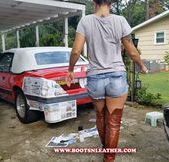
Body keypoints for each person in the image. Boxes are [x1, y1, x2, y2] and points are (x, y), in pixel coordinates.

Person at [66, 0, 148, 161]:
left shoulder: (85, 21)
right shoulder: (120, 21)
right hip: (116, 76)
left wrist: (70, 70)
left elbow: (76, 51)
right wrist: (142, 65)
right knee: (114, 122)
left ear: (93, 1)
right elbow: (132, 51)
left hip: (95, 78)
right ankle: (108, 158)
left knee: (101, 116)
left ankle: (106, 150)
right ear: (111, 2)